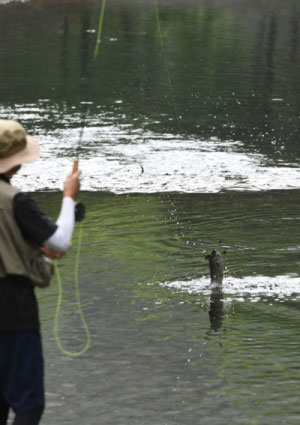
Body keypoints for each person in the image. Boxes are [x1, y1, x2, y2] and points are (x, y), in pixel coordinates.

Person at [0, 119, 81, 425]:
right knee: (28, 404)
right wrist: (69, 197)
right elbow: (60, 241)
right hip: (12, 311)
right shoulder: (14, 199)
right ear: (15, 162)